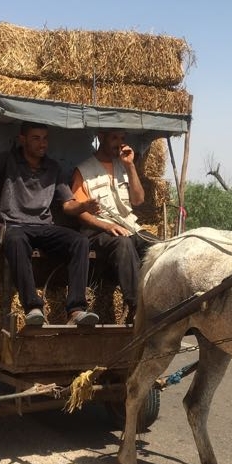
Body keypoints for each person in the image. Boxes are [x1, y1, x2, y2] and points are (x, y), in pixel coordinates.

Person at [0, 122, 100, 326]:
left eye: (45, 138)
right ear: (22, 140)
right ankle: (33, 308)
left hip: (44, 227)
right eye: (36, 138)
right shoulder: (7, 160)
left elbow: (67, 206)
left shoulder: (53, 167)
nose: (42, 144)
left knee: (80, 241)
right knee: (15, 239)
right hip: (14, 226)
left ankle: (76, 310)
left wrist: (84, 206)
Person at [71, 129, 155, 321]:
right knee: (123, 243)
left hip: (128, 226)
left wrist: (131, 166)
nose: (119, 143)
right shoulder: (83, 170)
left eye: (123, 138)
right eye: (114, 137)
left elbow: (139, 199)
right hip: (96, 231)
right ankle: (135, 306)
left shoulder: (124, 166)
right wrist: (106, 227)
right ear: (101, 138)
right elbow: (79, 211)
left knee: (159, 246)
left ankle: (164, 301)